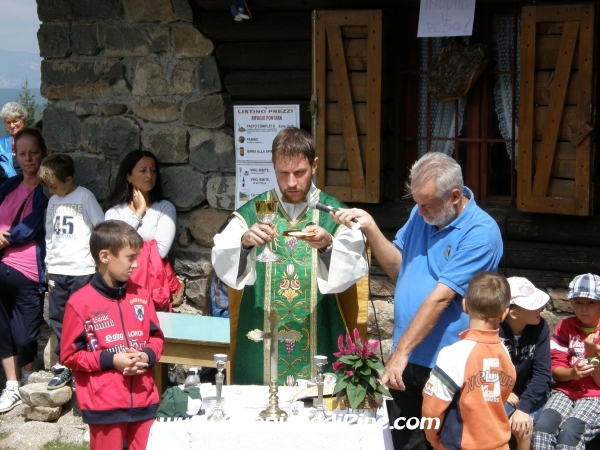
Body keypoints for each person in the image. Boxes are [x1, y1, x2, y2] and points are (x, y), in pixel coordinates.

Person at [332, 151, 503, 449]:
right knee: (404, 443)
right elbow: (397, 266)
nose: (420, 212)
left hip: (447, 366)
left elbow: (441, 298)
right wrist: (371, 227)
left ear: (453, 196)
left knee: (445, 443)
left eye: (427, 204)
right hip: (409, 362)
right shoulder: (420, 214)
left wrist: (399, 353)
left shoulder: (481, 232)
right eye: (417, 203)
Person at [212, 126, 368, 385]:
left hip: (321, 336)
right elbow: (222, 260)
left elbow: (353, 269)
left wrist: (328, 245)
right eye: (283, 173)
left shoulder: (334, 215)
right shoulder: (252, 213)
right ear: (273, 166)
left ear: (315, 165)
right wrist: (245, 243)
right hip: (261, 345)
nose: (292, 182)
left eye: (300, 172)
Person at [60, 220, 164, 450]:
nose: (136, 264)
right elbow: (69, 355)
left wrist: (146, 356)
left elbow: (157, 338)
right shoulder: (79, 303)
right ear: (105, 256)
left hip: (144, 401)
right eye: (130, 257)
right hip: (104, 406)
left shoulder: (141, 295)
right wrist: (110, 360)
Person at [422, 272, 516, 450]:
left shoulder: (453, 354)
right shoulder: (505, 352)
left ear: (465, 305)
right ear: (504, 314)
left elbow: (432, 407)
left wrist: (433, 438)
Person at [38, 154, 105, 390]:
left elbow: (100, 227)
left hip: (82, 269)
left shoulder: (85, 197)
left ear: (69, 179)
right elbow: (49, 234)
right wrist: (48, 264)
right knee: (58, 317)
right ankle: (67, 362)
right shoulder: (52, 202)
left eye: (55, 186)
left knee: (84, 318)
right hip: (58, 270)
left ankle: (84, 361)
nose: (52, 191)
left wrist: (99, 262)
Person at [0, 127, 49, 413]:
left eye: (34, 152)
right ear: (15, 156)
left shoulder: (47, 193)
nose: (28, 159)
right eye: (22, 153)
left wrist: (4, 236)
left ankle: (28, 377)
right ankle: (11, 384)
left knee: (26, 335)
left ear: (44, 154)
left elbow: (31, 227)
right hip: (2, 268)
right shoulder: (9, 185)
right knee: (3, 330)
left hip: (29, 272)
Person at [104, 150, 179, 310]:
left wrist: (127, 249)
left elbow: (160, 251)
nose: (149, 175)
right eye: (143, 170)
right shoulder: (114, 212)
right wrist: (139, 213)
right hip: (120, 285)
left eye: (153, 170)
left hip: (152, 288)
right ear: (128, 176)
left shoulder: (165, 208)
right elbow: (114, 244)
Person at [532, 273, 600, 449]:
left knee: (570, 432)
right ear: (571, 303)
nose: (584, 309)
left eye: (591, 303)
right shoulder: (566, 327)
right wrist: (572, 373)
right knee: (543, 428)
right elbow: (556, 368)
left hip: (595, 395)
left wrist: (593, 356)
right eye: (578, 302)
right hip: (566, 391)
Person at [501, 277, 552, 450]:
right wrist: (502, 389)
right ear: (513, 313)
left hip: (531, 394)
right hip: (500, 392)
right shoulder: (494, 329)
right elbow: (482, 366)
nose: (541, 308)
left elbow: (543, 373)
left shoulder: (540, 327)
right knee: (496, 427)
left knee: (522, 427)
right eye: (534, 305)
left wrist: (524, 408)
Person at [0, 102, 27, 182]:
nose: (12, 126)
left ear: (23, 120)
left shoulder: (34, 140)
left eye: (15, 121)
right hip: (8, 187)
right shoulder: (1, 144)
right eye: (8, 122)